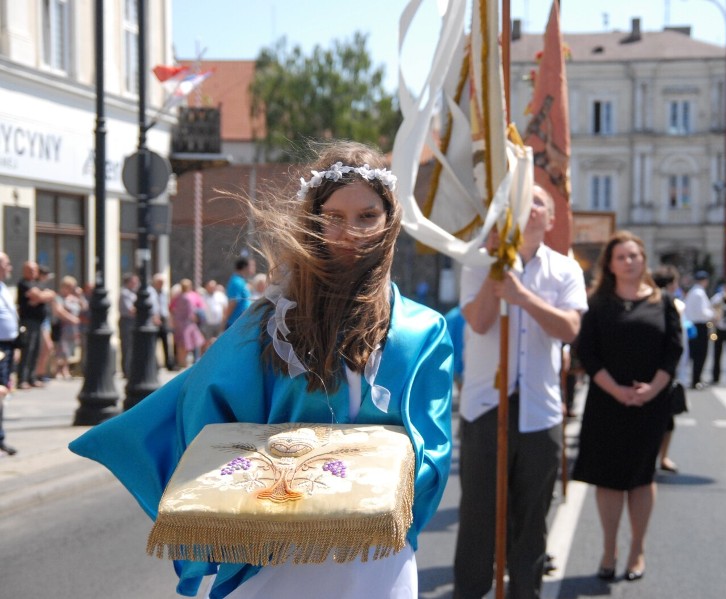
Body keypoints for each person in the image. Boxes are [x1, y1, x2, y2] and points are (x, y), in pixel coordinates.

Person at [70, 141, 454, 599]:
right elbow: (202, 409)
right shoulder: (270, 323)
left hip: (374, 558)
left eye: (367, 216)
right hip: (277, 552)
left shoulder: (422, 330)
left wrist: (375, 502)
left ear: (389, 222)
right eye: (333, 217)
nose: (350, 231)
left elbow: (432, 447)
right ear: (313, 222)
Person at [453, 185, 587, 599]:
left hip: (539, 408)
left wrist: (523, 298)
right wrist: (498, 276)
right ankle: (472, 591)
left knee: (531, 517)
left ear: (551, 219)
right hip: (487, 405)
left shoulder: (566, 270)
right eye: (521, 203)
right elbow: (477, 322)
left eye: (539, 204)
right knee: (480, 513)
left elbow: (569, 329)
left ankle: (525, 591)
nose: (530, 209)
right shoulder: (480, 262)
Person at [571, 231, 682, 582]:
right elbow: (587, 352)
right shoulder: (599, 303)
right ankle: (608, 549)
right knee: (608, 478)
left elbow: (674, 351)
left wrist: (651, 391)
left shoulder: (662, 302)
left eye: (634, 255)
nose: (629, 261)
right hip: (607, 401)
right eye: (621, 257)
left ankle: (637, 549)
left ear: (644, 260)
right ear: (610, 264)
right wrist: (617, 391)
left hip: (651, 404)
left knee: (640, 476)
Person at [652, 265, 689, 473]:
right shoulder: (671, 305)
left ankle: (662, 457)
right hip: (664, 370)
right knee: (662, 420)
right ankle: (657, 457)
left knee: (667, 421)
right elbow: (678, 343)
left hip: (668, 370)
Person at [16, 261, 55, 389]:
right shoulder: (23, 283)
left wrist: (40, 297)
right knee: (28, 350)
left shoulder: (37, 283)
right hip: (28, 321)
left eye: (35, 270)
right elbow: (38, 296)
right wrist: (40, 296)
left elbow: (50, 295)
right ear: (25, 271)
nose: (34, 272)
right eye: (31, 270)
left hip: (39, 322)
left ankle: (32, 377)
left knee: (36, 350)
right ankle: (23, 379)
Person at [0, 252, 18, 455]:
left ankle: (0, 438)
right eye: (7, 264)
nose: (9, 268)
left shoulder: (3, 287)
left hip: (7, 346)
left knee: (3, 392)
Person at [683, 270, 714, 389]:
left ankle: (693, 378)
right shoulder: (699, 293)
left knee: (692, 353)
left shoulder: (693, 292)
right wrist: (712, 315)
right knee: (700, 354)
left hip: (692, 325)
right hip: (700, 326)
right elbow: (702, 313)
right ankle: (696, 379)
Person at [169, 278, 206, 369]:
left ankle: (182, 362)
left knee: (181, 344)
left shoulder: (178, 297)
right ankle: (187, 362)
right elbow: (191, 311)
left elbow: (171, 308)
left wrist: (175, 317)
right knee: (192, 342)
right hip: (187, 323)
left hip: (179, 322)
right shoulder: (187, 297)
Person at [51, 276, 83, 380]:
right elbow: (59, 311)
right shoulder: (58, 298)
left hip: (73, 329)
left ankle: (65, 369)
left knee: (69, 349)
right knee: (61, 349)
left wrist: (80, 296)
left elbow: (84, 307)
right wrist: (72, 318)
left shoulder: (74, 298)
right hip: (63, 327)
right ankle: (58, 370)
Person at [224, 257, 256, 329]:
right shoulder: (236, 282)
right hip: (235, 324)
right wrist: (224, 320)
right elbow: (233, 302)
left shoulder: (241, 281)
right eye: (252, 265)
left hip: (243, 323)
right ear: (245, 267)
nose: (254, 268)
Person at [152, 273, 175, 370]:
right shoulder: (151, 292)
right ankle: (154, 364)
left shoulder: (164, 293)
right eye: (159, 282)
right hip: (154, 319)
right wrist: (154, 317)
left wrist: (170, 319)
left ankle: (168, 363)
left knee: (166, 342)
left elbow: (166, 306)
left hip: (163, 318)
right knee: (153, 343)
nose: (161, 284)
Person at [118, 272, 139, 378]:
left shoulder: (133, 293)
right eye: (134, 281)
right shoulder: (125, 293)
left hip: (134, 321)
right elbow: (130, 310)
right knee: (127, 346)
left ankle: (132, 369)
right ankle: (126, 370)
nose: (136, 283)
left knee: (133, 346)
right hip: (127, 321)